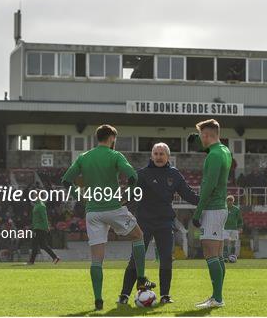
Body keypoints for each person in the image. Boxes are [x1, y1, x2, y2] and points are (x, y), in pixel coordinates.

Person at [61, 124, 155, 311]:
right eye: (115, 138)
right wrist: (127, 196)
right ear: (111, 137)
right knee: (138, 236)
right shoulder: (115, 155)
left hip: (93, 212)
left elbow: (65, 180)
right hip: (113, 208)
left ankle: (98, 301)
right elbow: (133, 176)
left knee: (97, 259)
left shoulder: (84, 157)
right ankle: (142, 279)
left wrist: (80, 198)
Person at [118, 143, 199, 305]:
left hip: (164, 223)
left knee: (166, 259)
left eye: (162, 154)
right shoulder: (141, 174)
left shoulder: (174, 174)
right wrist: (118, 202)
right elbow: (129, 194)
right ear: (151, 156)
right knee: (136, 259)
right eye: (156, 153)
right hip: (143, 223)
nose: (159, 156)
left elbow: (189, 195)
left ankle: (165, 296)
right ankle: (124, 295)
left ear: (168, 157)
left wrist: (207, 202)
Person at [188, 119, 232, 308]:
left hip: (212, 209)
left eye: (201, 136)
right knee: (218, 254)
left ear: (206, 135)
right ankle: (217, 296)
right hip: (220, 207)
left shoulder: (213, 156)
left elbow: (209, 185)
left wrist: (198, 212)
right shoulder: (224, 151)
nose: (200, 139)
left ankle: (217, 298)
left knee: (210, 252)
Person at [28, 198, 60, 265]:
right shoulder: (37, 205)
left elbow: (44, 217)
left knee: (35, 244)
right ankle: (55, 257)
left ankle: (31, 261)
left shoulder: (41, 206)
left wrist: (46, 227)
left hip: (40, 227)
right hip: (37, 227)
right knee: (43, 245)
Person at [223, 195, 243, 261]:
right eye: (228, 201)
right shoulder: (224, 209)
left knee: (233, 242)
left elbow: (240, 219)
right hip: (225, 228)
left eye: (231, 201)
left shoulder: (236, 209)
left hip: (234, 228)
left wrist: (240, 227)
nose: (229, 202)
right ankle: (225, 256)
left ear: (233, 201)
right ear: (226, 201)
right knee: (225, 241)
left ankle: (232, 256)